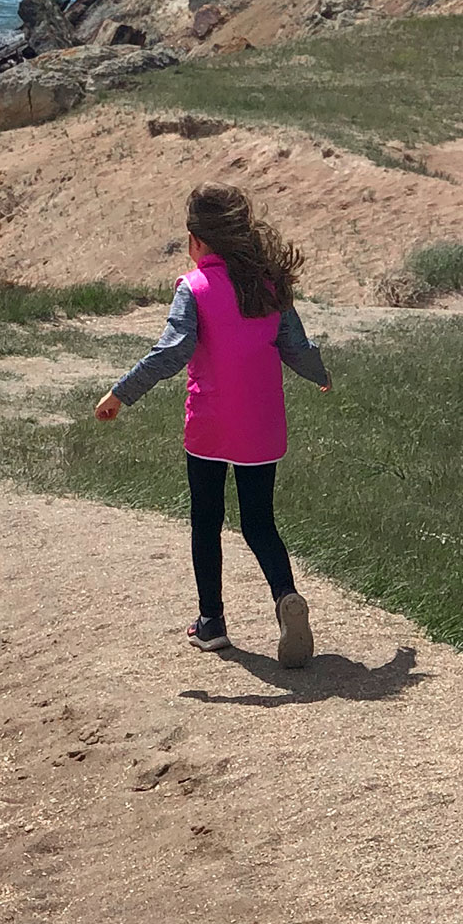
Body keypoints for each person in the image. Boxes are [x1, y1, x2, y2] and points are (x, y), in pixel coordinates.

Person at [96, 184, 331, 668]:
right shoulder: (268, 287)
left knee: (206, 518)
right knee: (258, 521)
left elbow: (173, 351)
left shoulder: (194, 288)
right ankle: (285, 595)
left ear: (196, 241)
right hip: (263, 425)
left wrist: (121, 394)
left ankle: (211, 623)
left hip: (211, 424)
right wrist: (320, 375)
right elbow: (295, 346)